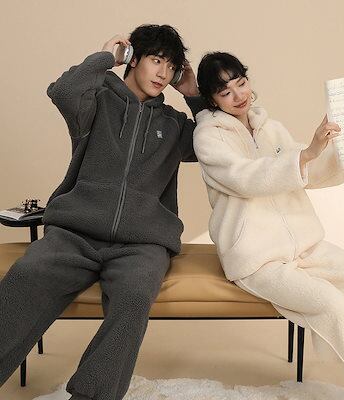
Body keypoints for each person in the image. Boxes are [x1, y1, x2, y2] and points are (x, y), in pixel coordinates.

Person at [0, 25, 205, 400]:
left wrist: (193, 96)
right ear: (133, 59)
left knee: (134, 297)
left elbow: (216, 143)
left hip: (141, 244)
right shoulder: (96, 100)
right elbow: (63, 91)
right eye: (156, 60)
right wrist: (105, 58)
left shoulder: (174, 125)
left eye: (171, 66)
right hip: (74, 234)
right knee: (27, 274)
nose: (163, 73)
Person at [193, 51, 344, 400]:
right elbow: (246, 177)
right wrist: (306, 154)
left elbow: (308, 173)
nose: (238, 95)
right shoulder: (208, 138)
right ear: (212, 99)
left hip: (306, 246)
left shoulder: (271, 128)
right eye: (225, 92)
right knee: (333, 306)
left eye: (241, 83)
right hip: (258, 259)